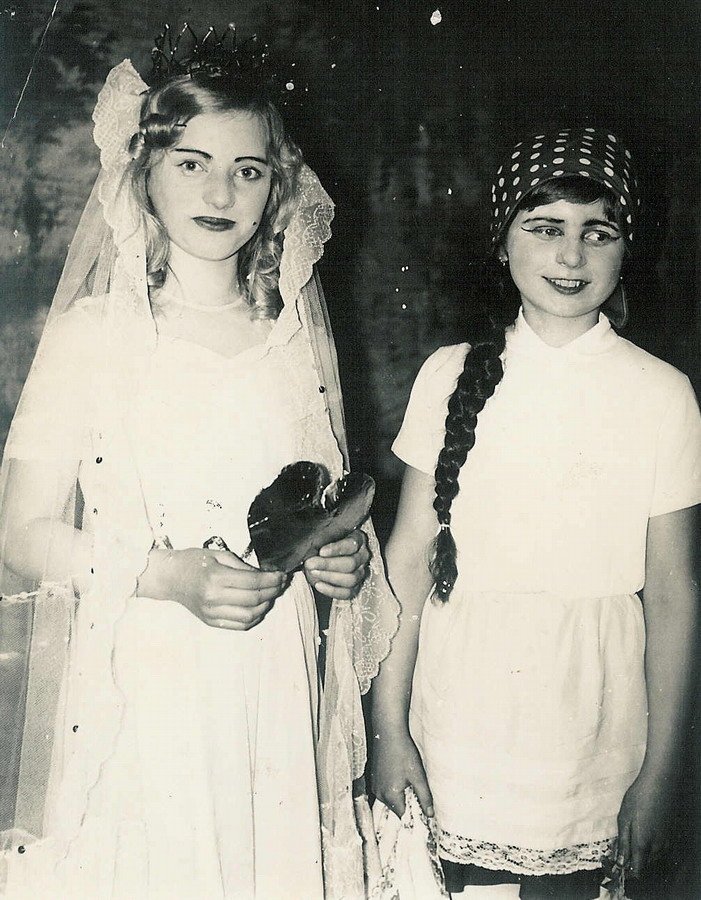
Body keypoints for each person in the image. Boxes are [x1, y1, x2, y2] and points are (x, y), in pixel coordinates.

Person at [0, 26, 397, 900]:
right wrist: (161, 574)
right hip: (147, 673)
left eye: (247, 170)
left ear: (275, 188)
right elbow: (20, 534)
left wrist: (338, 561)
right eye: (191, 163)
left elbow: (316, 512)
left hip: (273, 680)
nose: (220, 191)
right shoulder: (92, 338)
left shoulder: (292, 343)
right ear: (144, 173)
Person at [371, 126, 701, 898]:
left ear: (626, 249)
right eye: (545, 228)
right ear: (501, 242)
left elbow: (674, 594)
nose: (571, 256)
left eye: (597, 232)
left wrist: (659, 775)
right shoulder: (447, 375)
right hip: (454, 728)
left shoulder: (660, 395)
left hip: (590, 739)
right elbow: (405, 564)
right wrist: (387, 731)